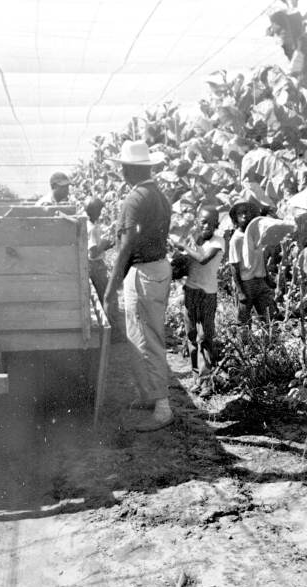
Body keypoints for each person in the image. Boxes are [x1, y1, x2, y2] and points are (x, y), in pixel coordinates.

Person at [103, 140, 173, 432]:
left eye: (122, 168)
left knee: (146, 338)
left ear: (130, 169)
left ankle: (162, 408)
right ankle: (151, 396)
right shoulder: (158, 195)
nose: (120, 172)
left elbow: (127, 244)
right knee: (142, 335)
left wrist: (110, 288)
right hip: (156, 268)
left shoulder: (135, 198)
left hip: (144, 271)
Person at [174, 207, 224, 399]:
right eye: (202, 222)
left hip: (207, 295)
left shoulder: (218, 242)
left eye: (210, 223)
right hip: (191, 291)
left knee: (206, 337)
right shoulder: (194, 240)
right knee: (192, 336)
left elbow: (203, 259)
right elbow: (186, 264)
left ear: (216, 225)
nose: (206, 226)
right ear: (197, 222)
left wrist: (184, 246)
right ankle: (197, 379)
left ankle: (207, 381)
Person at [228, 193, 276, 325]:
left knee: (268, 314)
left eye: (248, 213)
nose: (245, 216)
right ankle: (244, 344)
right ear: (236, 218)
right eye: (241, 213)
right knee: (244, 319)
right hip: (245, 282)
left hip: (260, 281)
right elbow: (234, 267)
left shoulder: (256, 235)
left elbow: (260, 260)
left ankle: (270, 343)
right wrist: (241, 291)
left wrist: (267, 279)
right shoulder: (236, 239)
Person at [84, 197, 115, 302]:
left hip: (93, 265)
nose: (102, 213)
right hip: (96, 266)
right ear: (96, 212)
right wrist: (104, 244)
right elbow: (93, 253)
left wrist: (108, 245)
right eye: (100, 211)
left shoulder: (89, 224)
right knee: (103, 292)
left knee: (100, 292)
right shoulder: (92, 229)